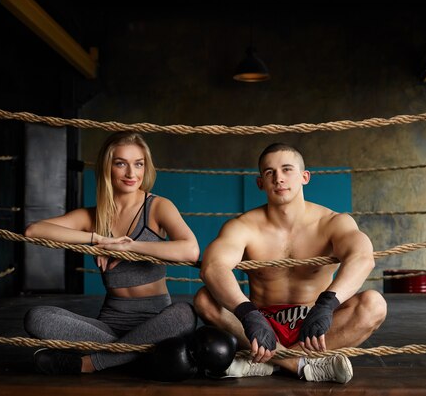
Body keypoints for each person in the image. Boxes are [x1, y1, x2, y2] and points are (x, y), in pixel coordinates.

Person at [193, 142, 387, 383]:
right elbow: (213, 267)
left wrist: (327, 305)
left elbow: (363, 258)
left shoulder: (332, 222)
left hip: (315, 325)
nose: (279, 179)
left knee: (374, 305)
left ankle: (269, 362)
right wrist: (248, 314)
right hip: (260, 325)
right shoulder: (243, 226)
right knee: (204, 299)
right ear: (260, 183)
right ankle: (301, 365)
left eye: (287, 170)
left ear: (305, 177)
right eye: (269, 172)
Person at [23, 131, 200, 375]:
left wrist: (128, 246)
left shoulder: (158, 206)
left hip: (156, 319)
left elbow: (190, 250)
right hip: (110, 325)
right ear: (108, 167)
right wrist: (98, 239)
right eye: (121, 164)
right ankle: (137, 355)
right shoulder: (94, 216)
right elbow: (34, 231)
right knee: (37, 317)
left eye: (138, 164)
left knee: (185, 315)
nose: (131, 173)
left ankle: (90, 363)